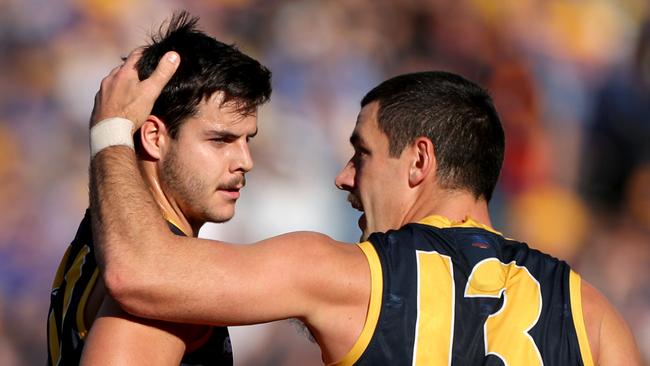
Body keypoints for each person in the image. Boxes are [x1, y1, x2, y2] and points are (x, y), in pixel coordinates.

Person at [84, 49, 641, 365]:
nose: (344, 178)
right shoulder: (592, 314)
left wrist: (112, 132)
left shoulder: (356, 277)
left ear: (418, 161)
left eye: (362, 154)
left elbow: (141, 271)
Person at [46, 12, 271, 365]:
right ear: (154, 137)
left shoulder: (106, 230)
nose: (245, 160)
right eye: (220, 140)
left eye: (247, 140)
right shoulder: (162, 287)